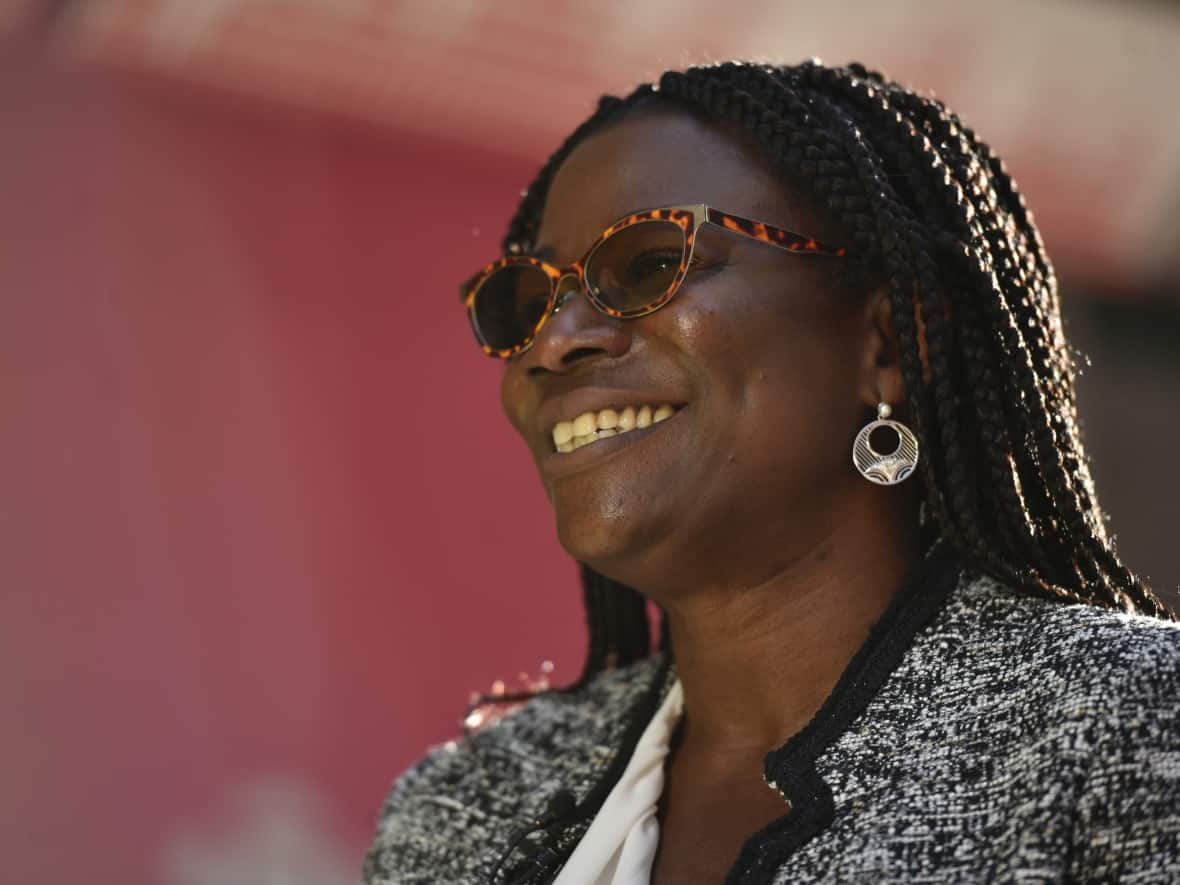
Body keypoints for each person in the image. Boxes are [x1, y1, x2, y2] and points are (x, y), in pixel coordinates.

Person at [363, 60, 1180, 884]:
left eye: (649, 264)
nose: (552, 342)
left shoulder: (1124, 725)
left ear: (886, 349)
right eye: (525, 303)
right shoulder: (463, 807)